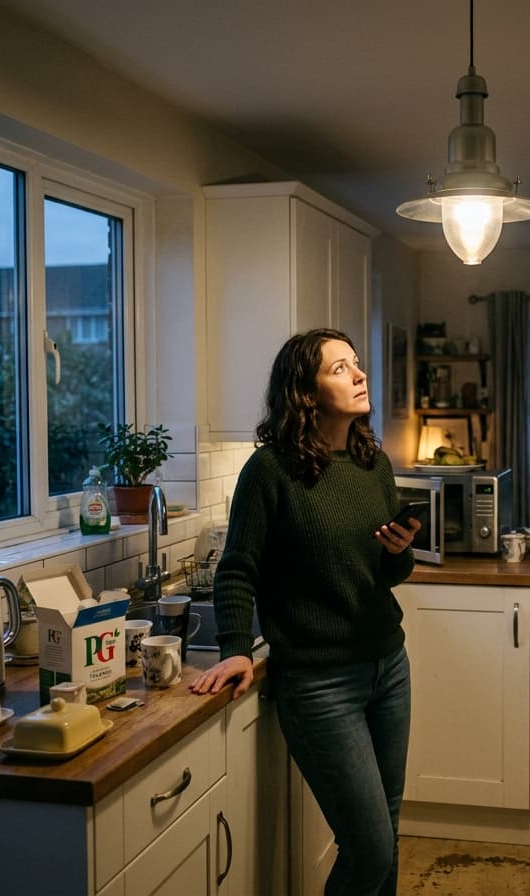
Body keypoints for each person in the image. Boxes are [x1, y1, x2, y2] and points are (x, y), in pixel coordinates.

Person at [190, 328, 420, 895]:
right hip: (319, 683)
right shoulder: (271, 472)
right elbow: (237, 568)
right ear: (305, 392)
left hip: (388, 666)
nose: (360, 374)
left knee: (386, 835)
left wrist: (398, 551)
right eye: (341, 368)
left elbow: (388, 571)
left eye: (357, 364)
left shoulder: (373, 463)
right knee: (367, 848)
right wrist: (236, 651)